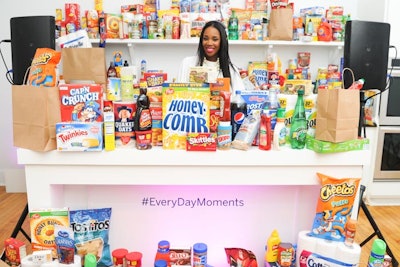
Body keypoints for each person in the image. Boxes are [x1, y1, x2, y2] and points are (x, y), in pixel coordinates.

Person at [177, 20, 245, 92]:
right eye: (205, 39)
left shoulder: (232, 70)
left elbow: (239, 99)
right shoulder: (187, 63)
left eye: (215, 39)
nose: (209, 43)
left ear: (222, 42)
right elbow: (177, 94)